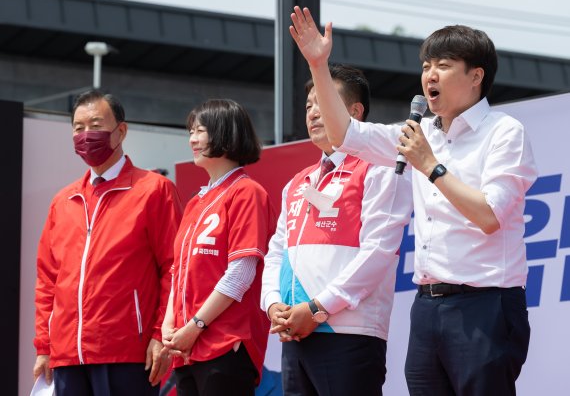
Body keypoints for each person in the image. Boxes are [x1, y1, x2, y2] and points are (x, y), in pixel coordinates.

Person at [289, 6, 538, 396]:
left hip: (486, 305)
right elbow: (346, 135)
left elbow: (490, 216)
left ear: (476, 76)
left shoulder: (504, 132)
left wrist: (431, 166)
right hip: (427, 307)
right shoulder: (420, 132)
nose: (429, 75)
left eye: (442, 65)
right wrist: (318, 65)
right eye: (425, 66)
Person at [261, 64, 413, 395]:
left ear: (354, 112)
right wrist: (273, 304)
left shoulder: (381, 169)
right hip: (295, 333)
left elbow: (379, 253)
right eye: (309, 105)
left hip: (348, 334)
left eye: (323, 102)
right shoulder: (298, 183)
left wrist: (317, 308)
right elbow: (276, 253)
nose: (314, 113)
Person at [33, 90, 183, 395]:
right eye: (78, 128)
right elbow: (48, 282)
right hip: (67, 356)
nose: (86, 135)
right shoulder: (63, 201)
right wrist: (44, 346)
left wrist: (160, 335)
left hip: (127, 353)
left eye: (96, 125)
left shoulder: (154, 190)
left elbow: (174, 268)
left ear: (121, 131)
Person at [161, 99, 276, 396]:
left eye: (200, 131)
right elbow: (178, 271)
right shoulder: (196, 203)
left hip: (225, 345)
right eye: (190, 131)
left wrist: (195, 325)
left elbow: (241, 272)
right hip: (187, 349)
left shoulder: (247, 193)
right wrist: (169, 324)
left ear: (226, 133)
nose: (192, 139)